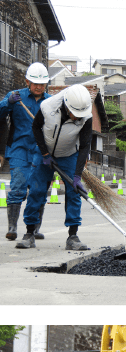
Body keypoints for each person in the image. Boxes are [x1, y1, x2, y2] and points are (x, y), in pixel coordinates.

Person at [16, 84, 93, 251]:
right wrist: (44, 154)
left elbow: (85, 146)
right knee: (36, 190)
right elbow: (36, 127)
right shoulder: (47, 107)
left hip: (69, 154)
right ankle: (29, 233)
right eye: (74, 114)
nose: (76, 118)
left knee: (74, 193)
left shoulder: (86, 115)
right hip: (44, 152)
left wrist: (77, 176)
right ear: (66, 105)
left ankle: (73, 236)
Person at [0, 62, 51, 240]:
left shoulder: (51, 102)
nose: (38, 87)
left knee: (39, 190)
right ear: (27, 81)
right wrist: (7, 103)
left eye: (42, 84)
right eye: (35, 83)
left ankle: (35, 229)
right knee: (18, 188)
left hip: (42, 151)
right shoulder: (15, 97)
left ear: (46, 84)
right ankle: (12, 228)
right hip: (19, 149)